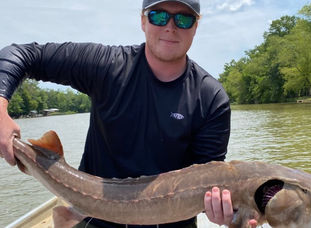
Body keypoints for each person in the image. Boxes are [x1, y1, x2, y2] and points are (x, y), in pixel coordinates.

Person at [0, 0, 257, 227]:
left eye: (183, 18)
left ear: (196, 26)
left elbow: (209, 179)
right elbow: (24, 54)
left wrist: (223, 212)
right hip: (92, 218)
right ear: (143, 20)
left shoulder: (211, 98)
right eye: (158, 15)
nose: (170, 26)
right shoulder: (107, 66)